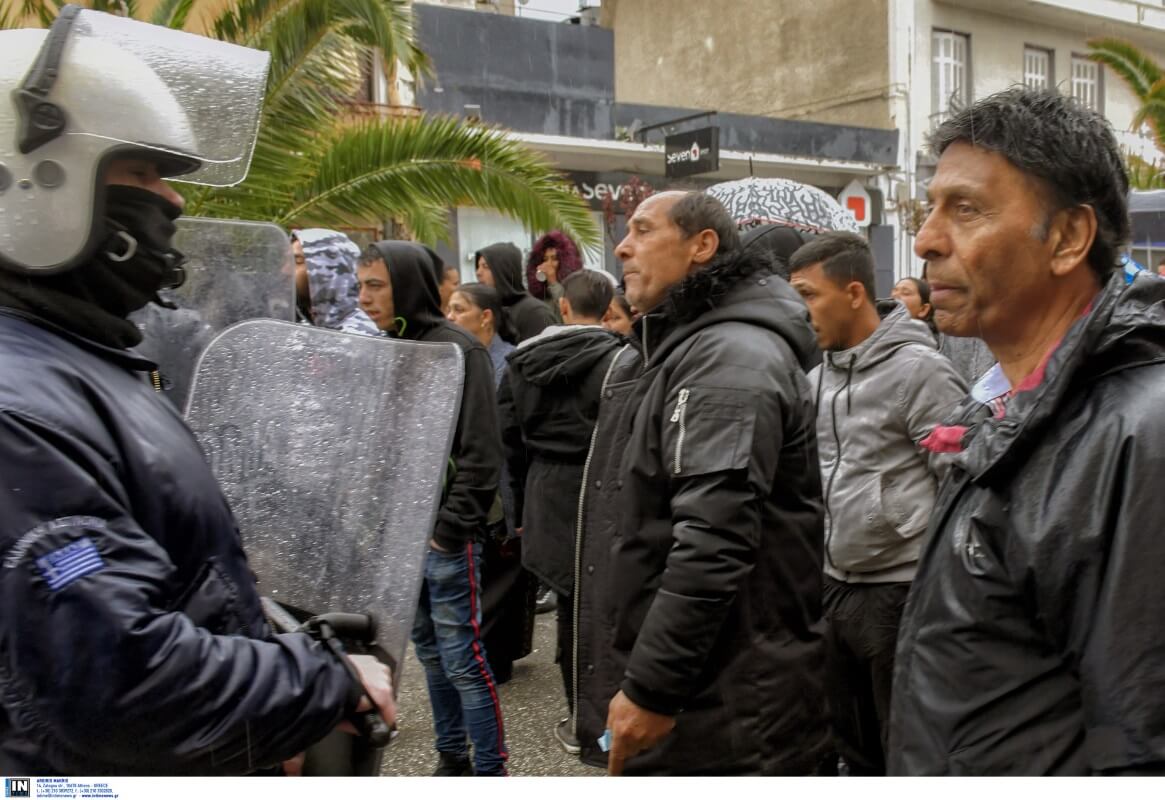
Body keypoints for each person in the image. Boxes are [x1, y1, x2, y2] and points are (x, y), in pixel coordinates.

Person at [0, 13, 392, 775]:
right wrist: (320, 682)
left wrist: (260, 704)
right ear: (30, 177)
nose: (172, 203)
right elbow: (115, 681)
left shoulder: (78, 362)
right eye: (143, 172)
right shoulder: (18, 407)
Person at [888, 87, 1165, 776]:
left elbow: (1139, 741)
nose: (925, 240)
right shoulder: (1016, 408)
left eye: (966, 209)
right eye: (930, 208)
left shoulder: (1135, 436)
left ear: (1068, 238)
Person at [575, 191, 830, 776]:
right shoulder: (691, 344)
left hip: (728, 702)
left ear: (702, 246)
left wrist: (652, 689)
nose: (622, 245)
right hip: (710, 687)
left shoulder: (728, 357)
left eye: (642, 229)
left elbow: (711, 542)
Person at [787, 233, 966, 776]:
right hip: (834, 583)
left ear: (855, 293)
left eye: (808, 295)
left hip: (901, 591)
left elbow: (960, 483)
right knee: (851, 743)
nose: (801, 312)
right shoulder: (816, 378)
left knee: (904, 748)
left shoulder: (920, 370)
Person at [357, 241, 508, 777]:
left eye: (376, 285)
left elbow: (481, 452)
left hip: (443, 538)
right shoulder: (388, 346)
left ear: (406, 283)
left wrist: (447, 530)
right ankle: (452, 760)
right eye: (360, 286)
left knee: (464, 660)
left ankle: (490, 771)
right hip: (399, 538)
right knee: (428, 654)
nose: (364, 297)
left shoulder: (456, 349)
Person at [496, 270, 622, 756]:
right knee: (607, 607)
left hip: (545, 491)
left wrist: (520, 507)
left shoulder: (519, 364)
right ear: (608, 307)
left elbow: (508, 441)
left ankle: (578, 716)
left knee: (570, 607)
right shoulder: (619, 360)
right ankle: (609, 719)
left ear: (563, 307)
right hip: (601, 488)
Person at [444, 281, 536, 686]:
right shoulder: (454, 358)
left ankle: (495, 663)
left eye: (459, 309)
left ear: (486, 317)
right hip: (468, 491)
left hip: (501, 493)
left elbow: (516, 439)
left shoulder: (510, 362)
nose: (451, 317)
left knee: (499, 585)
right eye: (448, 309)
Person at [295, 228, 379, 335]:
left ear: (327, 267)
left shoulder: (364, 335)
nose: (285, 270)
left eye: (297, 261)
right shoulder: (300, 325)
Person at [475, 242, 556, 341]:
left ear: (504, 270)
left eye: (485, 267)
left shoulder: (534, 313)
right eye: (478, 267)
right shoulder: (489, 310)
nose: (478, 272)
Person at [526, 231, 584, 322]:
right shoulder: (538, 293)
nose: (548, 263)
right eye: (545, 259)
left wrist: (552, 282)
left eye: (554, 259)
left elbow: (568, 311)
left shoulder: (577, 287)